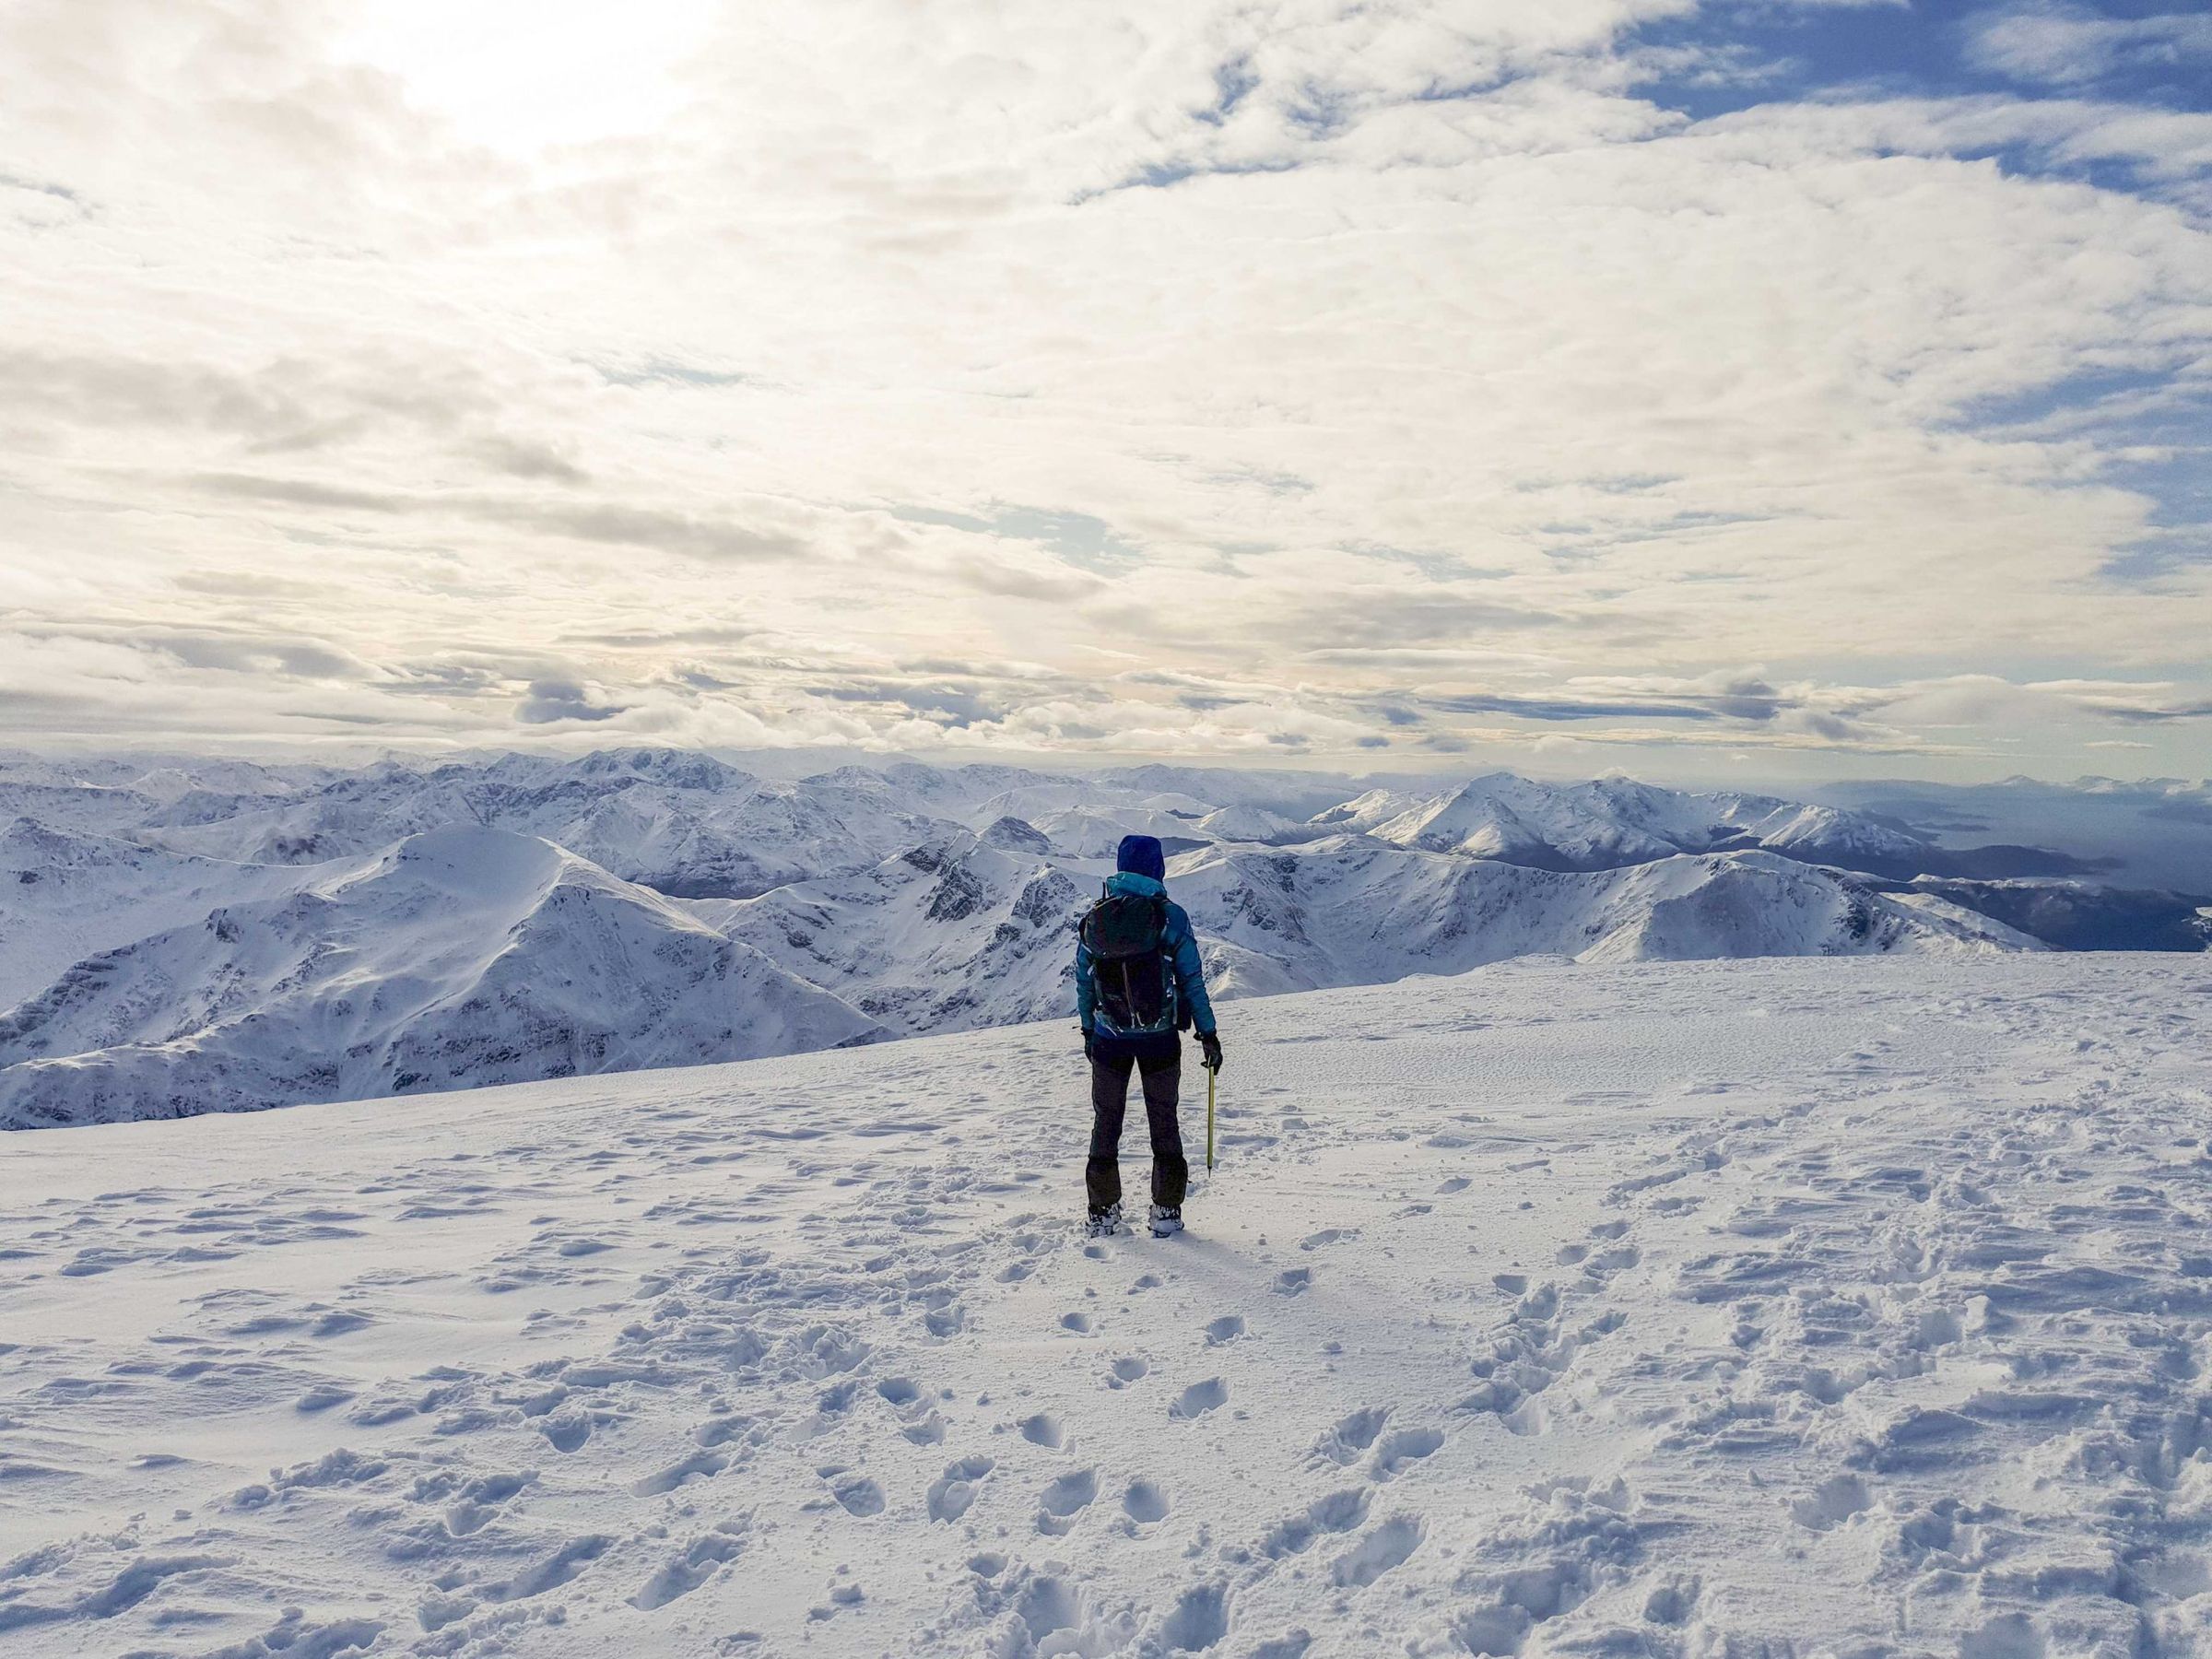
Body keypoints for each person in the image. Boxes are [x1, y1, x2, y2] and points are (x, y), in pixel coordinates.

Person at [1074, 833, 1223, 1239]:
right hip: (1159, 1039)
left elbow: (1083, 983)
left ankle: (1103, 1211)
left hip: (1108, 1038)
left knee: (1107, 1121)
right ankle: (1166, 1211)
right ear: (1158, 868)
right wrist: (1208, 1033)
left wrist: (1090, 1030)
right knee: (1164, 1119)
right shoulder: (1170, 917)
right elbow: (1192, 980)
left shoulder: (1096, 916)